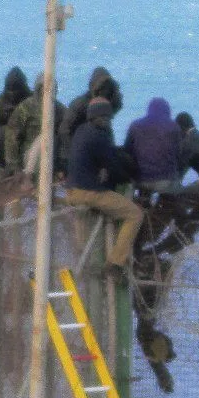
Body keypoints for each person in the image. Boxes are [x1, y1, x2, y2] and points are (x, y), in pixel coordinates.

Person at [61, 96, 142, 274]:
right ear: (98, 118)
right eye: (106, 118)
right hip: (89, 192)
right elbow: (113, 167)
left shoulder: (82, 130)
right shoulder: (99, 136)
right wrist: (129, 178)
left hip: (71, 190)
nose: (108, 122)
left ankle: (86, 259)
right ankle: (116, 263)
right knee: (134, 214)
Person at [124, 97, 184, 193]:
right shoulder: (174, 127)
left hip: (140, 180)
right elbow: (179, 155)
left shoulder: (135, 125)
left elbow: (127, 151)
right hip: (166, 180)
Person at [0, 67, 32, 170]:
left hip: (27, 136)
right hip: (6, 136)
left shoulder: (31, 100)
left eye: (16, 90)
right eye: (10, 90)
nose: (12, 94)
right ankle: (5, 166)